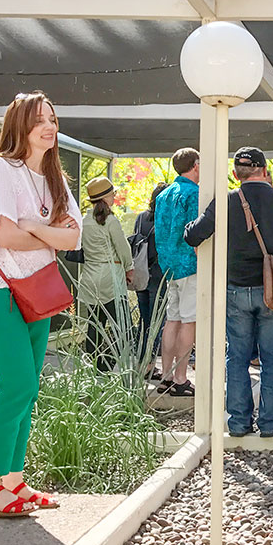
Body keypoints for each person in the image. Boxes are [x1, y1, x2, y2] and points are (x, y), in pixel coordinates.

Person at [0, 91, 82, 516]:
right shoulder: (0, 170)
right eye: (39, 121)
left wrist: (33, 225)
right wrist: (46, 229)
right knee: (17, 384)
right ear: (19, 126)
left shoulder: (55, 179)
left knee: (27, 389)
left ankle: (12, 481)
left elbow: (72, 239)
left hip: (36, 288)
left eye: (52, 119)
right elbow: (5, 236)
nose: (49, 127)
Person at [200, 146, 273, 437]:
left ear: (236, 174)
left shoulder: (226, 201)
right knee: (272, 359)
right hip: (272, 293)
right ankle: (270, 424)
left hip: (234, 290)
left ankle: (238, 423)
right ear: (263, 170)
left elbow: (195, 234)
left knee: (237, 357)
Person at [155, 147, 201, 397]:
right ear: (195, 165)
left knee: (171, 320)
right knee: (189, 321)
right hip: (188, 265)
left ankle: (166, 376)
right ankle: (181, 378)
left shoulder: (163, 195)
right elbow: (194, 234)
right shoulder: (193, 193)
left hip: (168, 266)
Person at [79, 176, 134, 373]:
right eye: (112, 194)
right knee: (121, 326)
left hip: (90, 277)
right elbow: (123, 249)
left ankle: (95, 367)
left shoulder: (84, 221)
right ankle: (112, 362)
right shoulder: (110, 221)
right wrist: (129, 268)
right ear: (105, 198)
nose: (114, 197)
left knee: (94, 325)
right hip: (111, 277)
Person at [132, 181, 169, 378]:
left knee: (144, 322)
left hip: (141, 273)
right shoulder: (165, 220)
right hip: (159, 275)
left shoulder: (141, 218)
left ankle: (140, 362)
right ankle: (148, 365)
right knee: (156, 323)